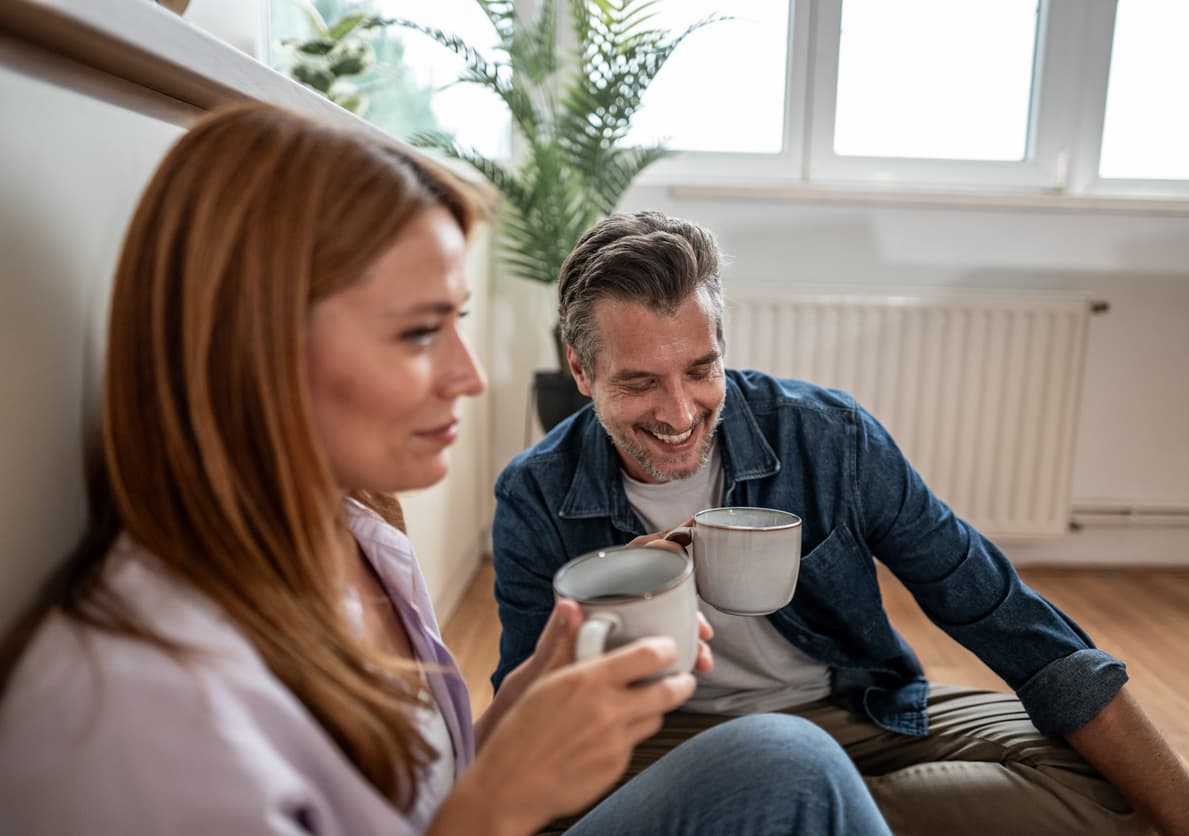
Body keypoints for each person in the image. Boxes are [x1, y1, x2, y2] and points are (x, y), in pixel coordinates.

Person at [0, 106, 890, 836]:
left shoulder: (362, 540)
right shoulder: (130, 709)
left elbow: (429, 793)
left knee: (787, 759)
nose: (469, 375)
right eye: (421, 331)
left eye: (457, 321)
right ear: (253, 349)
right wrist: (499, 809)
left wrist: (531, 693)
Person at [491, 211, 1189, 836]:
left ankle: (790, 812)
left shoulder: (831, 438)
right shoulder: (535, 494)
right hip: (660, 740)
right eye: (639, 383)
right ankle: (786, 805)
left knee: (1105, 781)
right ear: (583, 373)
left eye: (700, 370)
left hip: (850, 709)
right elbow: (519, 723)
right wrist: (610, 600)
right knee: (549, 815)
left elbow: (1009, 621)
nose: (681, 414)